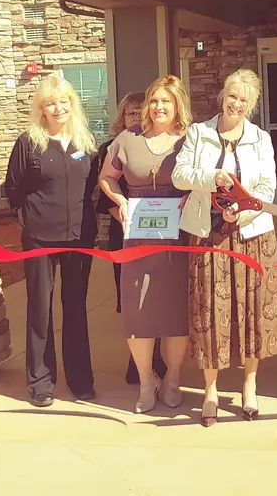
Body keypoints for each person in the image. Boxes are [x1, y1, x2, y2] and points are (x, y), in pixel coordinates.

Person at [173, 69, 277, 426]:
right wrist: (212, 178)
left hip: (252, 236)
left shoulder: (260, 139)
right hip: (209, 234)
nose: (237, 104)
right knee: (210, 312)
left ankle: (250, 384)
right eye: (233, 96)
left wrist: (246, 212)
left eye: (244, 100)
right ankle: (210, 390)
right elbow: (179, 176)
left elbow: (267, 187)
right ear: (222, 97)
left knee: (253, 308)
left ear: (251, 106)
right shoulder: (199, 133)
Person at [4, 74, 99, 407]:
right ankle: (40, 381)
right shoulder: (28, 143)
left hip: (79, 238)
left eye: (63, 101)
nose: (58, 108)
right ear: (41, 109)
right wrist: (31, 214)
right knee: (40, 309)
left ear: (72, 104)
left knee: (75, 309)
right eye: (50, 103)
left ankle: (80, 380)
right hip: (41, 238)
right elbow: (12, 191)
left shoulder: (85, 143)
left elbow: (94, 191)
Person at [99, 75, 191, 414]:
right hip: (136, 235)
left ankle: (173, 379)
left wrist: (192, 198)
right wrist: (120, 200)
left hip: (178, 237)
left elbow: (203, 180)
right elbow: (107, 177)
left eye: (166, 101)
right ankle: (146, 381)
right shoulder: (127, 139)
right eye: (154, 100)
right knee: (138, 312)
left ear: (178, 105)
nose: (159, 107)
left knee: (175, 312)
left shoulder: (189, 141)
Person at [97, 91, 167, 385]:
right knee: (132, 298)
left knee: (161, 295)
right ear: (121, 118)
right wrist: (128, 219)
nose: (136, 118)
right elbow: (102, 197)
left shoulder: (161, 146)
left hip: (163, 232)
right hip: (124, 232)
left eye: (141, 112)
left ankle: (159, 356)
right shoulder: (110, 148)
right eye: (130, 113)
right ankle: (136, 360)